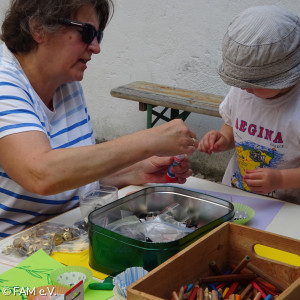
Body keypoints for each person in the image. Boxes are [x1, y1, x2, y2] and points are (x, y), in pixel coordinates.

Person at [0, 0, 199, 238]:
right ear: (39, 28)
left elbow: (72, 177)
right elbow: (40, 174)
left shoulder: (66, 83)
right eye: (87, 32)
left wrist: (135, 171)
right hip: (13, 250)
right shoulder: (5, 82)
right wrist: (151, 141)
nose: (95, 47)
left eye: (98, 36)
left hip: (61, 237)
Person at [198, 5, 300, 204]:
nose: (244, 89)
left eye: (253, 84)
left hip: (286, 208)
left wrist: (280, 179)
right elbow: (231, 125)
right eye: (240, 82)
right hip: (236, 195)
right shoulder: (242, 90)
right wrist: (222, 139)